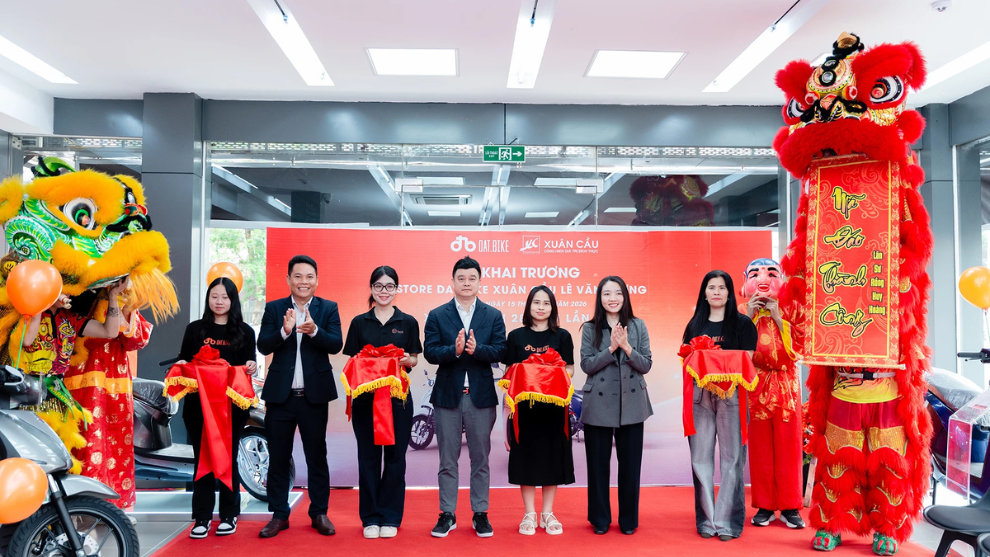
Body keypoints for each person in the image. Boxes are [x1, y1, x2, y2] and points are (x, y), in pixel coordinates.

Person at [257, 255, 342, 538]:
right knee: (278, 457)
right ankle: (279, 515)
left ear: (316, 280)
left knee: (317, 456)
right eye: (298, 276)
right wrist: (284, 331)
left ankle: (319, 513)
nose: (303, 281)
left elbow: (336, 344)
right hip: (280, 398)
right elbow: (263, 345)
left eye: (309, 276)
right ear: (288, 279)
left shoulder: (328, 308)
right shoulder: (274, 308)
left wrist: (315, 331)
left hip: (313, 397)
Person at [424, 256, 506, 538]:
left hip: (480, 397)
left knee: (480, 458)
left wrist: (476, 349)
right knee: (447, 459)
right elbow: (430, 351)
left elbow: (501, 350)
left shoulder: (492, 315)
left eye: (472, 278)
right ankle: (447, 514)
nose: (467, 283)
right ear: (453, 282)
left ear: (479, 282)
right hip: (448, 396)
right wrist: (455, 351)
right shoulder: (437, 314)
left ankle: (480, 513)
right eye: (461, 278)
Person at [342, 266, 421, 540]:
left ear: (396, 289)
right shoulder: (359, 322)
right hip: (366, 400)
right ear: (371, 289)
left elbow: (415, 359)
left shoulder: (408, 322)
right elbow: (352, 361)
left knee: (396, 458)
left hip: (398, 400)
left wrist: (407, 360)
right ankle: (370, 517)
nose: (384, 291)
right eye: (378, 286)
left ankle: (390, 516)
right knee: (368, 458)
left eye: (389, 286)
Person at [174, 277, 257, 538]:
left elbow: (250, 364)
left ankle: (229, 514)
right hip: (198, 407)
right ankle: (202, 517)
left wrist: (252, 365)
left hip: (231, 409)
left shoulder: (245, 332)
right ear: (208, 298)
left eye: (224, 297)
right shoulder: (195, 330)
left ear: (233, 300)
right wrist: (183, 363)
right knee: (202, 459)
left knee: (228, 457)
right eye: (214, 296)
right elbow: (184, 360)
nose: (219, 301)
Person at [682, 270, 758, 541]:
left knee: (732, 459)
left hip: (732, 396)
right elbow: (686, 358)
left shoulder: (742, 324)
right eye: (711, 287)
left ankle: (727, 522)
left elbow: (748, 359)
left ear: (729, 293)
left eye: (722, 287)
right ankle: (707, 521)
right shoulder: (695, 324)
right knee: (699, 458)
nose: (716, 292)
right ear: (704, 293)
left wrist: (712, 359)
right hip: (699, 396)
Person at [64, 290, 155, 513]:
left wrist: (127, 307)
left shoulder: (122, 298)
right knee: (84, 444)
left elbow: (138, 340)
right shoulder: (77, 297)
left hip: (116, 386)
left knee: (118, 446)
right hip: (81, 384)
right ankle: (83, 509)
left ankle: (116, 509)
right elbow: (95, 337)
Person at [579, 276, 652, 536]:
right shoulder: (590, 328)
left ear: (625, 297)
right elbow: (586, 365)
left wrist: (627, 348)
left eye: (618, 293)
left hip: (632, 403)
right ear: (600, 298)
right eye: (607, 293)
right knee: (598, 466)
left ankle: (628, 520)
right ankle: (600, 518)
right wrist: (610, 349)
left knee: (630, 466)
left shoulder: (638, 325)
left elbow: (646, 364)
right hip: (598, 404)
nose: (613, 298)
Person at [503, 286, 575, 536]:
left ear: (552, 308)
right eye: (536, 302)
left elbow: (570, 370)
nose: (541, 307)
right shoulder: (516, 336)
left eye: (546, 303)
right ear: (529, 306)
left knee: (552, 457)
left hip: (553, 408)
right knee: (526, 458)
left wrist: (546, 372)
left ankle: (547, 513)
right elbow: (510, 372)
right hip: (524, 409)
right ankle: (529, 513)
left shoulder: (562, 336)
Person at [741, 259, 805, 529]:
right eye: (755, 274)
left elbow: (803, 345)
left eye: (771, 273)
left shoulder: (794, 307)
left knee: (789, 446)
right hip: (756, 384)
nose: (763, 278)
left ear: (783, 280)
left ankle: (791, 506)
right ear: (745, 281)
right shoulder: (741, 311)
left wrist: (779, 317)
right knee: (760, 447)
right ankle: (765, 505)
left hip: (786, 383)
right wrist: (750, 317)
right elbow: (735, 349)